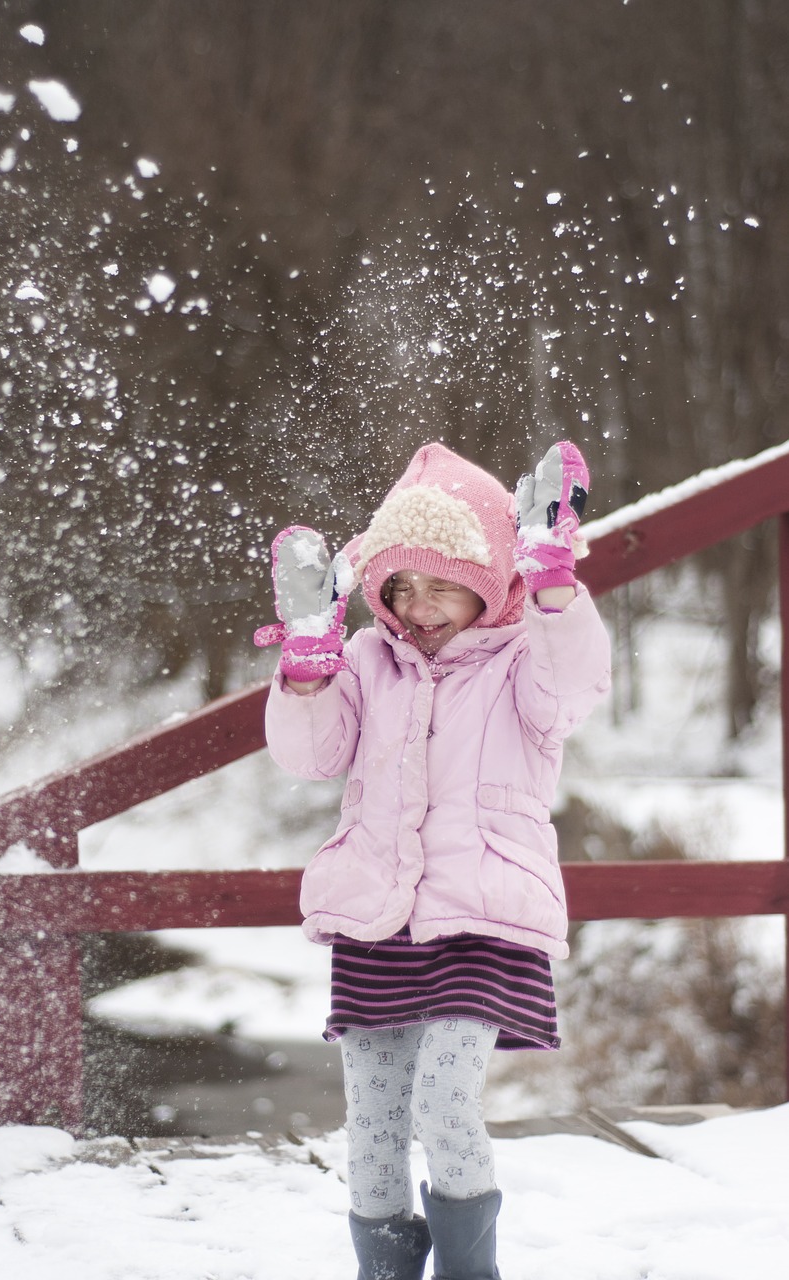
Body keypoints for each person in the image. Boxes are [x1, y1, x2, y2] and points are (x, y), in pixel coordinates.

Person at [254, 441, 611, 1280]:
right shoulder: (369, 661)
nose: (418, 605)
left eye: (442, 583)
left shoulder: (527, 657)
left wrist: (554, 579)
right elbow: (311, 755)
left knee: (445, 1104)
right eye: (399, 587)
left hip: (483, 917)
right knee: (374, 1128)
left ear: (492, 579)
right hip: (379, 921)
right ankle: (382, 1271)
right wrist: (308, 667)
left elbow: (574, 687)